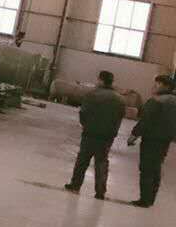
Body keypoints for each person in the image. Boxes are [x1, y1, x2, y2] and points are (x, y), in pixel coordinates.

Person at [64, 70, 125, 199]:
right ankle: (100, 192)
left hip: (90, 133)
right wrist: (112, 132)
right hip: (107, 136)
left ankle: (75, 185)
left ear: (101, 80)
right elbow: (120, 117)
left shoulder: (92, 95)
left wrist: (86, 125)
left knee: (82, 160)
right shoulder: (119, 99)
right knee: (101, 162)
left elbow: (83, 113)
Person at [127, 74, 176, 207]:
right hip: (165, 140)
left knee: (147, 168)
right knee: (156, 168)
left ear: (166, 86)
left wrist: (134, 135)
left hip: (152, 139)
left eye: (158, 83)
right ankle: (151, 198)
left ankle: (144, 200)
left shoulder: (156, 101)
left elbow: (146, 120)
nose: (155, 86)